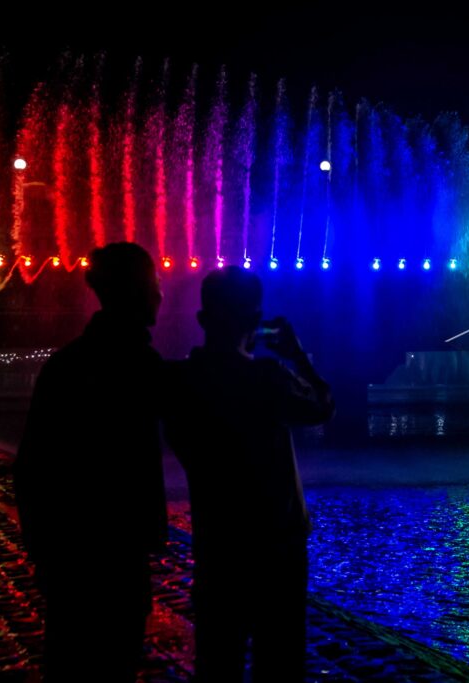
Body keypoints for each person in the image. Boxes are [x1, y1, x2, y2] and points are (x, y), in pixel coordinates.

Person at [162, 266, 333, 682]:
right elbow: (322, 407)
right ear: (256, 321)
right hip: (277, 548)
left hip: (217, 544)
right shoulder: (266, 377)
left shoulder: (180, 381)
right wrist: (297, 357)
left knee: (218, 660)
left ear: (203, 319)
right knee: (279, 660)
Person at [14, 242, 167, 682]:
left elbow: (32, 465)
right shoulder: (141, 366)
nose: (160, 296)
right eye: (153, 285)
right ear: (135, 291)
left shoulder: (66, 364)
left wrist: (41, 548)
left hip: (69, 551)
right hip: (118, 548)